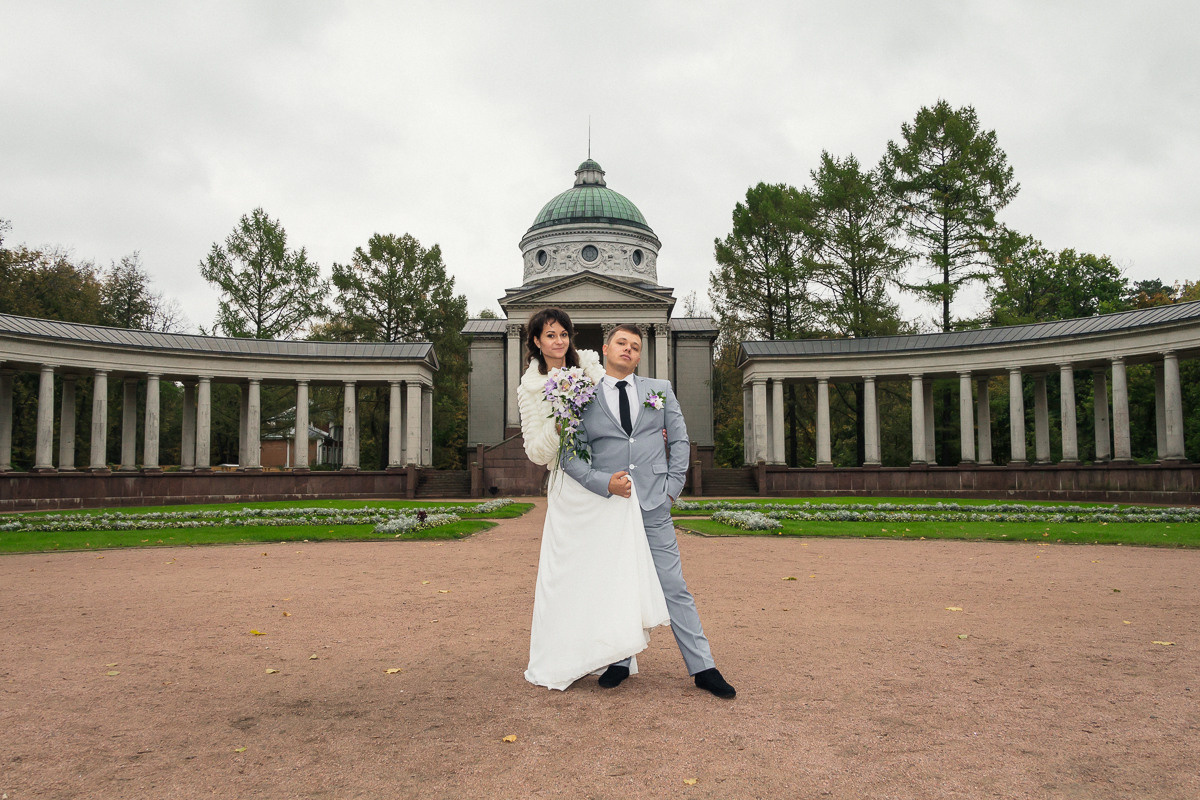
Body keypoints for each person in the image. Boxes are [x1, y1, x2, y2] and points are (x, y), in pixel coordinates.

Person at [561, 323, 736, 698]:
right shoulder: (581, 396)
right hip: (609, 508)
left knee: (675, 587)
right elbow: (569, 456)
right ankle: (619, 661)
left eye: (635, 347)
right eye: (621, 343)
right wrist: (603, 483)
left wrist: (672, 489)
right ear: (605, 349)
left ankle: (703, 666)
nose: (628, 350)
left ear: (640, 356)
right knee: (615, 584)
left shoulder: (660, 390)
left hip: (655, 503)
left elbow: (682, 440)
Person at [518, 308, 670, 691]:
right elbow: (536, 452)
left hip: (607, 481)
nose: (559, 341)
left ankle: (617, 654)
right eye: (550, 335)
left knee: (609, 572)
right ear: (536, 341)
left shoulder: (589, 366)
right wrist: (559, 423)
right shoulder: (530, 388)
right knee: (566, 577)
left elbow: (619, 406)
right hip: (568, 488)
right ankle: (568, 656)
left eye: (564, 333)